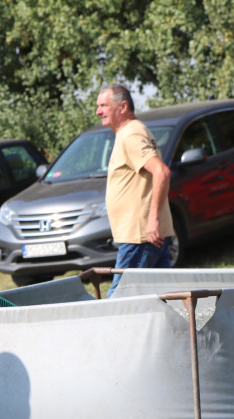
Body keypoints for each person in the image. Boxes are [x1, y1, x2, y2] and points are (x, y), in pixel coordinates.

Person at [96, 84, 173, 296]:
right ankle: (184, 330)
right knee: (162, 299)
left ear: (122, 106)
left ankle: (109, 331)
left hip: (139, 236)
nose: (98, 111)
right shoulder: (132, 132)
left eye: (104, 105)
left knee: (120, 298)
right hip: (144, 235)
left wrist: (152, 220)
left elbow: (161, 172)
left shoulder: (131, 134)